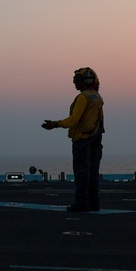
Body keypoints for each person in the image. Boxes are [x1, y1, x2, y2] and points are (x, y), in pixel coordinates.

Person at [41, 67, 105, 212]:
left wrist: (55, 124)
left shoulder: (83, 97)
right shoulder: (97, 96)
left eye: (77, 80)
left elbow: (74, 119)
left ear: (85, 81)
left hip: (82, 139)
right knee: (93, 172)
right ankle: (94, 203)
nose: (75, 83)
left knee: (81, 172)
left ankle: (82, 203)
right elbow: (101, 119)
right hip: (96, 138)